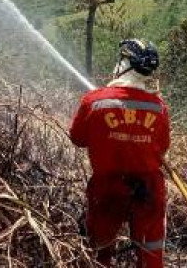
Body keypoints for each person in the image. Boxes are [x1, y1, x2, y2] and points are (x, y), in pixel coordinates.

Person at [70, 39, 171, 268]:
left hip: (107, 188)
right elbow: (162, 147)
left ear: (125, 64)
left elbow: (77, 138)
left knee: (99, 251)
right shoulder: (158, 107)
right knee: (151, 253)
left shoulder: (94, 101)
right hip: (149, 190)